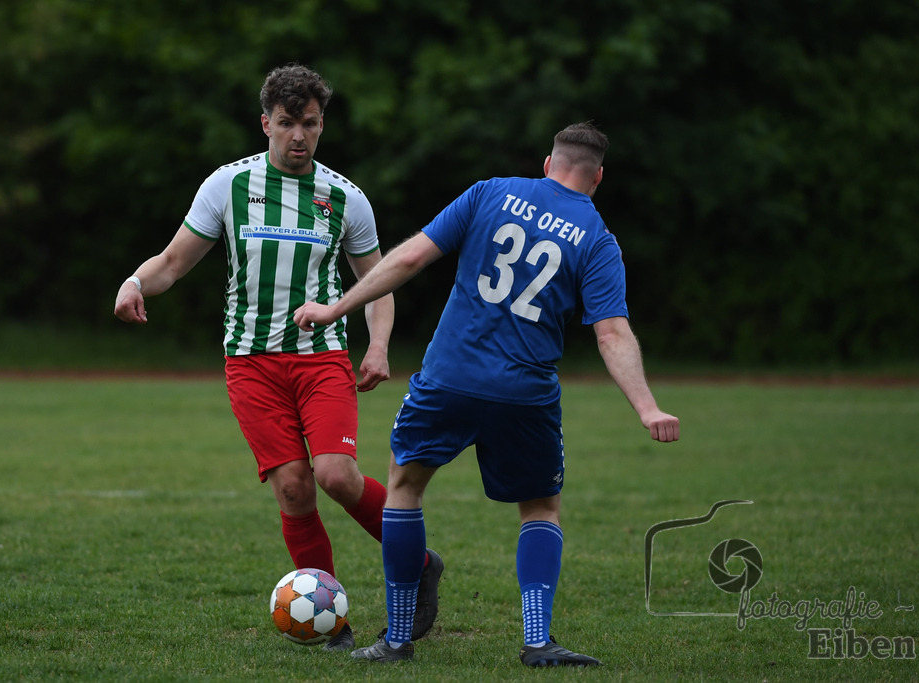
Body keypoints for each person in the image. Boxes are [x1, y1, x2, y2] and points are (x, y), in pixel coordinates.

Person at [293, 121, 680, 666]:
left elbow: (408, 259)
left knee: (405, 486)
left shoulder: (491, 191)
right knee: (540, 507)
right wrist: (647, 407)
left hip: (449, 377)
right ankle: (537, 641)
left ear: (548, 163)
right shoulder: (597, 239)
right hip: (526, 393)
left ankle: (398, 639)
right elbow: (611, 332)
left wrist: (335, 309)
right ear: (597, 179)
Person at [113, 63, 442, 651]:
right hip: (250, 364)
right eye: (286, 123)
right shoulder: (228, 186)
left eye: (309, 124)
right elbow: (171, 262)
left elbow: (379, 283)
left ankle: (417, 564)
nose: (298, 135)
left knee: (335, 476)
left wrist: (380, 347)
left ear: (322, 127)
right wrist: (134, 282)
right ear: (265, 123)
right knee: (294, 488)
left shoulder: (345, 199)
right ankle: (332, 620)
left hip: (322, 361)